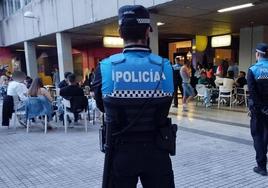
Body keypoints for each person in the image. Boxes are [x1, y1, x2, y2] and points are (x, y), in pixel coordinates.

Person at [92, 5, 175, 187]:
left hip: (120, 151)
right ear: (147, 31)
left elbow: (101, 106)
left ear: (120, 32)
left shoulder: (105, 67)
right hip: (157, 150)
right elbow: (167, 103)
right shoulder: (165, 66)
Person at [247, 43, 268, 176]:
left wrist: (262, 107)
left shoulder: (253, 69)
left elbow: (252, 93)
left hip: (259, 111)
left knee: (258, 136)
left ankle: (262, 166)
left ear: (257, 54)